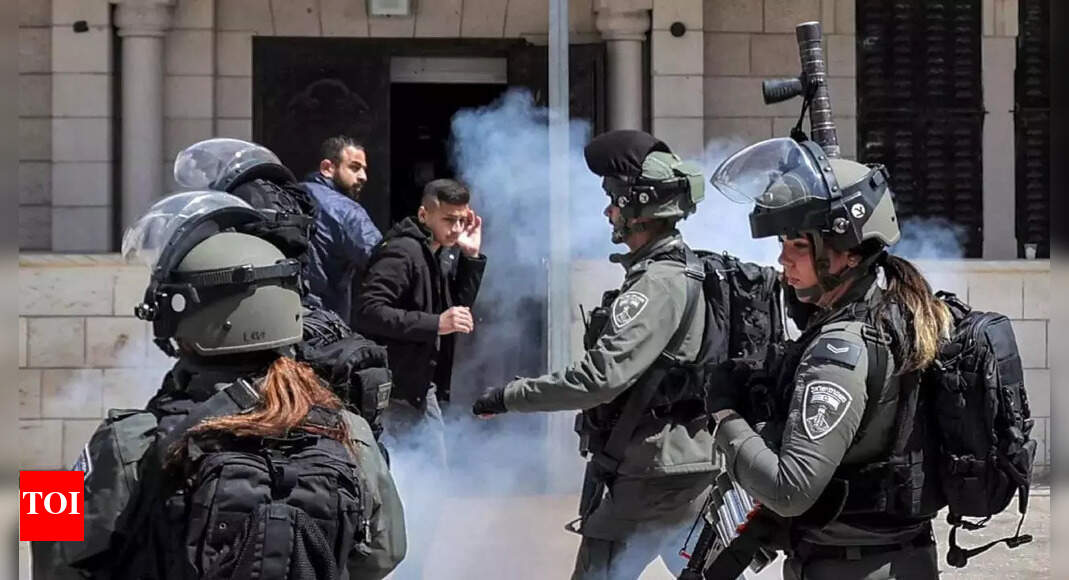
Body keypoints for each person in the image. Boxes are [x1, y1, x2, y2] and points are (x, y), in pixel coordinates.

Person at [33, 192, 406, 580]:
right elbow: (385, 554)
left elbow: (52, 555)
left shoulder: (129, 439)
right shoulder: (347, 430)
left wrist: (46, 490)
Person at [471, 130, 715, 580]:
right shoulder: (682, 270)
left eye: (615, 202)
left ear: (641, 209)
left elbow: (598, 379)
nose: (608, 212)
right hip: (682, 466)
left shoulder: (657, 283)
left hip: (650, 474)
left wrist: (509, 396)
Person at [704, 136, 950, 579]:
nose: (783, 259)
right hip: (888, 559)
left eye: (799, 245)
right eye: (783, 242)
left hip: (850, 566)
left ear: (849, 253)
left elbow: (790, 489)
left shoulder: (840, 349)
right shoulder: (895, 311)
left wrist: (725, 417)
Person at [353, 177, 486, 579]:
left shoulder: (436, 251)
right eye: (448, 219)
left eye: (461, 219)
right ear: (424, 214)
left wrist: (471, 257)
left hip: (416, 388)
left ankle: (409, 566)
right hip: (394, 391)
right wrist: (434, 324)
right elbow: (368, 311)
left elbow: (455, 308)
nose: (456, 228)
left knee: (426, 482)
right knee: (407, 484)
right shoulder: (403, 252)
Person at [302, 135, 383, 323]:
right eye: (354, 167)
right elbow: (382, 261)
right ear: (327, 168)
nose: (363, 177)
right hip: (325, 321)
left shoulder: (292, 195)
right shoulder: (345, 210)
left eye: (364, 169)